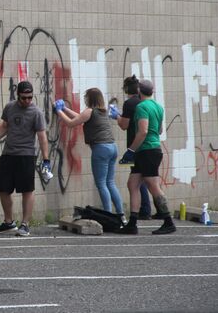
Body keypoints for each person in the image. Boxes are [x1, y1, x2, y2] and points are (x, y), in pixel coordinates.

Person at [0, 81, 50, 237]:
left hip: (26, 155)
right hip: (8, 154)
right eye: (23, 98)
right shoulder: (9, 107)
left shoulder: (36, 113)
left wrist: (46, 159)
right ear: (17, 96)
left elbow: (42, 137)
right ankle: (9, 222)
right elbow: (5, 127)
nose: (27, 101)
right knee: (3, 188)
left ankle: (25, 224)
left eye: (30, 97)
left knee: (27, 190)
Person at [118, 79, 176, 234]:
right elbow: (160, 130)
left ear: (139, 91)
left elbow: (142, 131)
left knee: (153, 185)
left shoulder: (142, 107)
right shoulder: (158, 106)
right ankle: (132, 223)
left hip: (146, 150)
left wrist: (131, 150)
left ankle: (168, 221)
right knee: (133, 184)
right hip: (151, 149)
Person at [54, 88, 124, 217]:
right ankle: (121, 215)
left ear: (89, 98)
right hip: (112, 147)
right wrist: (64, 109)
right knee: (110, 183)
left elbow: (71, 123)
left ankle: (107, 215)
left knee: (101, 184)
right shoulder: (103, 112)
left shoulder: (89, 111)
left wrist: (58, 111)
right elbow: (80, 117)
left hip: (101, 149)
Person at [112, 75, 154, 219]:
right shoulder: (146, 103)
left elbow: (124, 125)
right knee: (145, 179)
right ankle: (148, 210)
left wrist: (116, 116)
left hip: (134, 145)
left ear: (126, 89)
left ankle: (144, 211)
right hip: (149, 145)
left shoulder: (129, 104)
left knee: (136, 181)